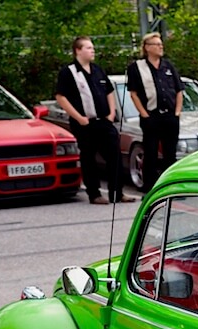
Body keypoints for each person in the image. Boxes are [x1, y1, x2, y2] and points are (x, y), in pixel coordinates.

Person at [54, 36, 134, 205]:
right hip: (85, 123)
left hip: (104, 121)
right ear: (78, 50)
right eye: (88, 48)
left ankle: (117, 193)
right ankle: (94, 193)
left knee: (114, 155)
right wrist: (78, 117)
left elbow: (109, 91)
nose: (93, 51)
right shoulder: (69, 72)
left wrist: (111, 112)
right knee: (89, 157)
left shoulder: (97, 70)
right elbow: (61, 97)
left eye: (92, 48)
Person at [126, 33, 184, 192]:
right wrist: (144, 114)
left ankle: (171, 186)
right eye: (157, 44)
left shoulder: (168, 66)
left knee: (170, 154)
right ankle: (149, 187)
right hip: (151, 116)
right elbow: (133, 93)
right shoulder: (137, 68)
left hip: (170, 116)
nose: (160, 47)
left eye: (161, 44)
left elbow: (179, 90)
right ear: (147, 47)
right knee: (150, 153)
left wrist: (177, 112)